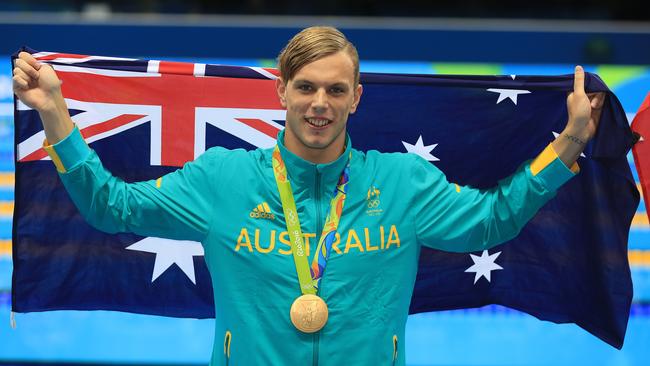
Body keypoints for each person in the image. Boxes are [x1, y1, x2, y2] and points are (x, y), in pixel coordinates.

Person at [13, 26, 603, 365]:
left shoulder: (402, 182)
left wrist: (572, 140)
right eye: (306, 88)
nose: (320, 103)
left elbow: (490, 222)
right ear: (282, 94)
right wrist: (57, 114)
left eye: (335, 90)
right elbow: (110, 207)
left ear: (356, 98)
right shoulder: (223, 179)